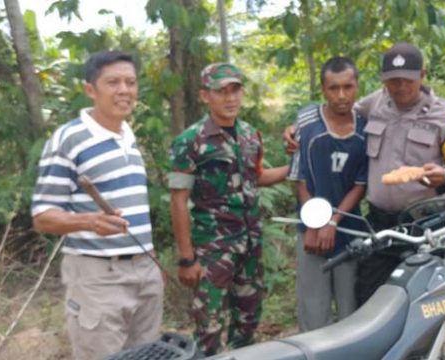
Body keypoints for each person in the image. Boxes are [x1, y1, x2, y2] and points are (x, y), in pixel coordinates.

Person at [284, 42, 445, 305]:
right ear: (384, 82)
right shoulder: (375, 103)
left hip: (426, 225)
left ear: (422, 75)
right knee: (369, 302)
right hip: (381, 225)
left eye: (407, 79)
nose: (401, 87)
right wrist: (296, 128)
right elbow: (336, 113)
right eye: (393, 81)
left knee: (427, 302)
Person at [31, 51, 163, 360]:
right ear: (91, 89)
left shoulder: (128, 135)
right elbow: (42, 216)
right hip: (97, 277)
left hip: (145, 269)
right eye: (113, 82)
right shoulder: (69, 139)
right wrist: (90, 222)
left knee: (147, 356)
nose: (124, 90)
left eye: (130, 82)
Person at [168, 63, 289, 355]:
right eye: (221, 91)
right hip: (213, 250)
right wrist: (187, 259)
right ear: (205, 96)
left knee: (247, 324)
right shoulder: (190, 141)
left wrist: (294, 168)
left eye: (235, 90)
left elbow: (255, 178)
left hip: (250, 245)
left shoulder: (249, 135)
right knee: (208, 329)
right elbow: (178, 200)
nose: (230, 98)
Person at [288, 57, 368, 331]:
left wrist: (333, 222)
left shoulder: (366, 127)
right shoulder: (308, 121)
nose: (342, 95)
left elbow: (361, 183)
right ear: (323, 89)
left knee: (352, 313)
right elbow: (299, 178)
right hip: (311, 230)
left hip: (350, 231)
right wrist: (315, 223)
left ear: (357, 86)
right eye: (334, 88)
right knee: (314, 311)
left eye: (348, 86)